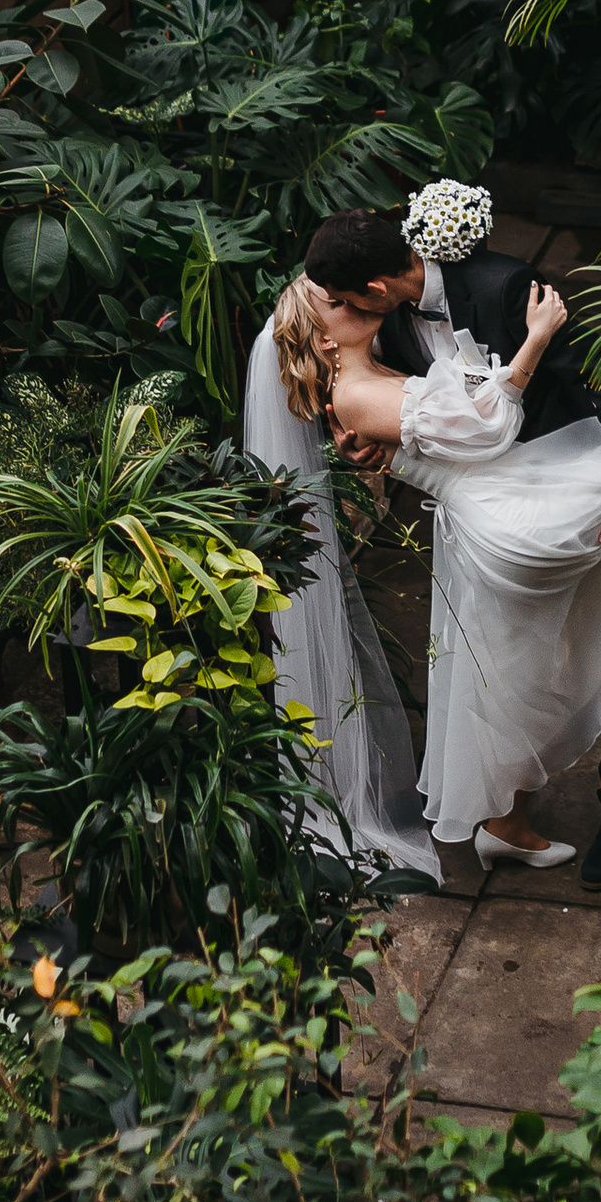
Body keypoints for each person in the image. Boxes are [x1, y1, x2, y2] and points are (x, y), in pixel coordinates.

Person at [300, 191, 601, 885]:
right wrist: (378, 445)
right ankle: (507, 816)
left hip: (565, 479)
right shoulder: (377, 329)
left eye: (349, 303)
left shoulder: (504, 284)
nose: (346, 315)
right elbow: (423, 415)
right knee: (508, 675)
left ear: (376, 288)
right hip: (496, 518)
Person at [241, 291, 438, 884]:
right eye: (341, 302)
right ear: (322, 334)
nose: (361, 302)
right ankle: (334, 793)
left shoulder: (334, 318)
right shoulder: (347, 385)